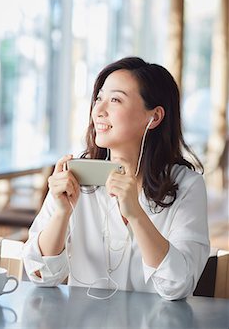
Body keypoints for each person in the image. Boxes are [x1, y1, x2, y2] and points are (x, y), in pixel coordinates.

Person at [22, 57, 210, 300]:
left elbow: (177, 287)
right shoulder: (75, 176)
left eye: (115, 100)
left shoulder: (187, 186)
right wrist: (61, 213)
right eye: (99, 98)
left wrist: (136, 214)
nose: (98, 111)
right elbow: (40, 275)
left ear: (154, 117)